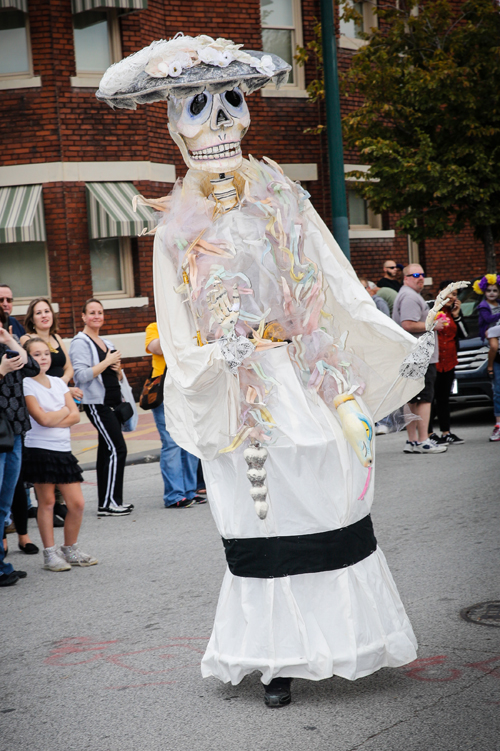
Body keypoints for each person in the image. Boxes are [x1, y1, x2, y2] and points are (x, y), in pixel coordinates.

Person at [98, 36, 427, 708]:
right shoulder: (175, 228)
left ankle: (342, 638)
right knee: (264, 513)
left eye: (231, 102)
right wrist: (218, 357)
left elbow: (331, 278)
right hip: (239, 386)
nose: (219, 120)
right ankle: (276, 657)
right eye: (198, 106)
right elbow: (179, 322)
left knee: (332, 478)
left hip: (301, 370)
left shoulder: (282, 195)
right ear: (174, 123)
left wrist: (385, 336)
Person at [22, 338, 98, 571]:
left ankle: (70, 549)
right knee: (47, 503)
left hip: (63, 450)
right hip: (39, 450)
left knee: (77, 503)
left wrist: (59, 413)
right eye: (36, 354)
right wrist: (64, 411)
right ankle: (50, 554)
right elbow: (41, 419)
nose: (43, 358)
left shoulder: (58, 382)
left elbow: (75, 416)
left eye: (46, 353)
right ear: (27, 358)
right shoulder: (26, 384)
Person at [69, 299, 133, 517]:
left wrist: (117, 369)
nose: (97, 316)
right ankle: (112, 502)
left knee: (107, 452)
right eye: (92, 313)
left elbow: (116, 375)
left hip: (114, 403)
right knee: (118, 449)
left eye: (100, 312)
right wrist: (107, 362)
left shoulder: (107, 341)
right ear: (84, 317)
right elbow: (81, 375)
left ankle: (105, 504)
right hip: (97, 404)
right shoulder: (80, 342)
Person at [0, 306, 38, 587]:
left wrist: (12, 341)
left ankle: (1, 564)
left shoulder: (11, 349)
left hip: (14, 435)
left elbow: (35, 367)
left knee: (4, 502)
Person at [145, 322, 203, 508]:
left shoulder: (189, 327)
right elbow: (157, 347)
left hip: (186, 389)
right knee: (171, 443)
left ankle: (189, 492)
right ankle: (174, 495)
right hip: (163, 392)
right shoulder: (154, 327)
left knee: (190, 441)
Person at [393, 264, 447, 454]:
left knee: (412, 399)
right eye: (415, 274)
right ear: (405, 277)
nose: (420, 278)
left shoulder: (407, 294)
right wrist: (434, 324)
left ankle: (413, 441)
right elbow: (407, 324)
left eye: (423, 274)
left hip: (413, 355)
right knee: (424, 399)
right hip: (420, 356)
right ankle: (423, 440)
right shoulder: (409, 296)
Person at [21, 297, 83, 401]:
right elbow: (33, 373)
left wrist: (64, 381)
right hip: (44, 396)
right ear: (32, 319)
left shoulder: (57, 337)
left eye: (47, 311)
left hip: (64, 392)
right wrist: (59, 387)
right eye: (38, 313)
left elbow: (68, 367)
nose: (44, 315)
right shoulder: (26, 339)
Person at [428, 281, 466, 446]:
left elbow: (464, 334)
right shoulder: (431, 308)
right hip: (433, 361)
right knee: (429, 398)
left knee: (444, 398)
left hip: (449, 360)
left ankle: (446, 432)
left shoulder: (453, 312)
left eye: (455, 294)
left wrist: (457, 315)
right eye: (449, 292)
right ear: (439, 293)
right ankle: (428, 433)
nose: (452, 297)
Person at [474, 274, 500, 342]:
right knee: (494, 346)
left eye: (495, 291)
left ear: (499, 292)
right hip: (491, 332)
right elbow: (488, 319)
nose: (492, 293)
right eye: (488, 291)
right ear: (484, 292)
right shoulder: (483, 306)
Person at [486, 323, 500, 441]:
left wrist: (489, 366)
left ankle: (499, 425)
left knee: (498, 392)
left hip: (497, 360)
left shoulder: (494, 329)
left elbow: (494, 347)